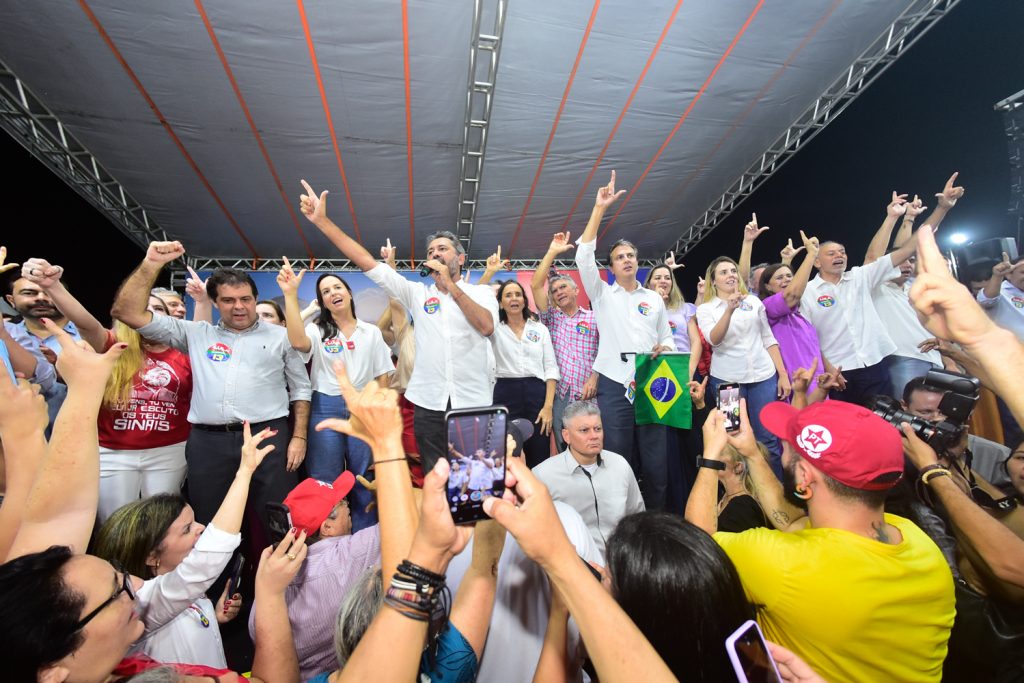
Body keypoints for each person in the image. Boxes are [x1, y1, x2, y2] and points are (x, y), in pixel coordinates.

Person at [0, 319, 303, 683]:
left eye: (121, 576)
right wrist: (270, 597)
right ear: (52, 675)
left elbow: (57, 519)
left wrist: (39, 427)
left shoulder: (66, 627)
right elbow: (206, 562)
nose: (138, 588)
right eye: (119, 589)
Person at [685, 399, 955, 682]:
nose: (782, 450)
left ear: (804, 477)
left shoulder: (785, 564)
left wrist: (710, 458)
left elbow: (697, 545)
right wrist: (753, 455)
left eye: (786, 445)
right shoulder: (917, 540)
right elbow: (792, 522)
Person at [111, 241, 312, 534]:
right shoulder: (194, 334)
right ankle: (217, 581)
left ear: (256, 299)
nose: (239, 306)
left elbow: (301, 389)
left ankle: (283, 580)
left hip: (267, 436)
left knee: (278, 522)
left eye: (245, 298)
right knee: (208, 525)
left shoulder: (282, 337)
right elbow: (126, 311)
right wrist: (151, 264)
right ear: (215, 303)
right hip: (208, 444)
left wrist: (299, 437)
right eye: (229, 300)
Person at [297, 179, 498, 472]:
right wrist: (323, 222)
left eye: (442, 249)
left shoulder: (481, 293)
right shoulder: (416, 294)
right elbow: (366, 262)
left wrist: (451, 287)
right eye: (430, 252)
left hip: (473, 404)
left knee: (475, 480)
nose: (435, 255)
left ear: (461, 258)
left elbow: (486, 327)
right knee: (435, 479)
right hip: (428, 405)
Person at [19, 259, 194, 521]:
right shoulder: (112, 344)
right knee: (113, 523)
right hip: (113, 452)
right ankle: (113, 564)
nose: (149, 314)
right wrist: (53, 287)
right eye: (142, 309)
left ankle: (158, 564)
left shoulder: (184, 352)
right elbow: (86, 323)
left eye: (157, 310)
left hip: (169, 451)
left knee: (162, 524)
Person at [90, 422, 275, 668]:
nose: (200, 528)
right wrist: (244, 472)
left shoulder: (183, 592)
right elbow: (209, 555)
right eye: (187, 529)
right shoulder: (139, 603)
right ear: (151, 556)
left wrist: (211, 616)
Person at [574, 171, 675, 510]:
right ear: (611, 268)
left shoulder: (654, 299)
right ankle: (622, 522)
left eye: (631, 255)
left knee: (656, 460)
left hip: (652, 381)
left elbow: (667, 338)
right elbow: (582, 257)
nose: (627, 259)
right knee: (617, 459)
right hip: (615, 385)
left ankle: (658, 522)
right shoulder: (602, 294)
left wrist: (666, 349)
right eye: (619, 257)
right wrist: (599, 209)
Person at [278, 261, 393, 529]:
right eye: (326, 291)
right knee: (325, 480)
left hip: (364, 410)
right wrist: (290, 295)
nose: (332, 293)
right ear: (323, 302)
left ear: (349, 293)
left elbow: (383, 377)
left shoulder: (371, 332)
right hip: (324, 407)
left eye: (337, 287)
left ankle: (364, 542)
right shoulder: (317, 331)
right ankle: (327, 543)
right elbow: (296, 342)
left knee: (363, 478)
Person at [246, 471, 382, 681]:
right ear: (327, 527)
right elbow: (414, 515)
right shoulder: (349, 556)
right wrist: (386, 496)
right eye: (342, 502)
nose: (348, 506)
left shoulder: (266, 587)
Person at [799, 192, 930, 405]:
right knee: (846, 427)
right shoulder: (808, 292)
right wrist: (828, 367)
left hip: (874, 364)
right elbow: (809, 337)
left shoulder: (860, 278)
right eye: (831, 254)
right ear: (816, 262)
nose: (839, 256)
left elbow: (892, 253)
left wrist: (895, 217)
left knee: (883, 421)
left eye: (842, 252)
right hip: (839, 371)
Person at [697, 255, 789, 476]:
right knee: (735, 439)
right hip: (727, 382)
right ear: (713, 281)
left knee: (767, 440)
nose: (730, 275)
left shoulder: (754, 302)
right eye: (723, 272)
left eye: (732, 271)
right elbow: (714, 339)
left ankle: (775, 496)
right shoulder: (705, 309)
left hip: (763, 378)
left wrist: (783, 374)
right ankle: (746, 496)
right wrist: (729, 309)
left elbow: (769, 338)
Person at [532, 400, 644, 554]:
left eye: (598, 429)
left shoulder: (620, 465)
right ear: (566, 435)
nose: (594, 436)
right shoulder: (543, 475)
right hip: (575, 567)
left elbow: (637, 517)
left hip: (621, 562)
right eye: (584, 430)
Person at [741, 224, 835, 398]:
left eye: (789, 276)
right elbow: (790, 294)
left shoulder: (800, 313)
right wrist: (811, 255)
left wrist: (828, 370)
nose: (786, 280)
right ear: (767, 286)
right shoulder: (768, 307)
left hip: (816, 381)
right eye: (779, 278)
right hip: (794, 383)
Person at [528, 232, 600, 450]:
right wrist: (552, 251)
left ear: (576, 290)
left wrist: (595, 377)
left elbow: (607, 350)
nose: (559, 292)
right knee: (565, 447)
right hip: (562, 394)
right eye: (554, 291)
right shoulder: (550, 318)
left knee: (594, 445)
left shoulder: (595, 317)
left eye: (563, 288)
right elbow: (535, 285)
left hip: (591, 391)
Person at [489, 278, 559, 467]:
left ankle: (538, 495)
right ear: (501, 302)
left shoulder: (540, 329)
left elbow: (551, 368)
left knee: (539, 453)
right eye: (508, 295)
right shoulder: (493, 330)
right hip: (505, 393)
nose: (514, 298)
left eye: (518, 294)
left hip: (537, 395)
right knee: (508, 453)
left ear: (525, 300)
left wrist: (548, 406)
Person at [716, 442, 771, 533]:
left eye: (720, 453)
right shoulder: (725, 494)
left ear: (738, 467)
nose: (711, 457)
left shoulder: (742, 507)